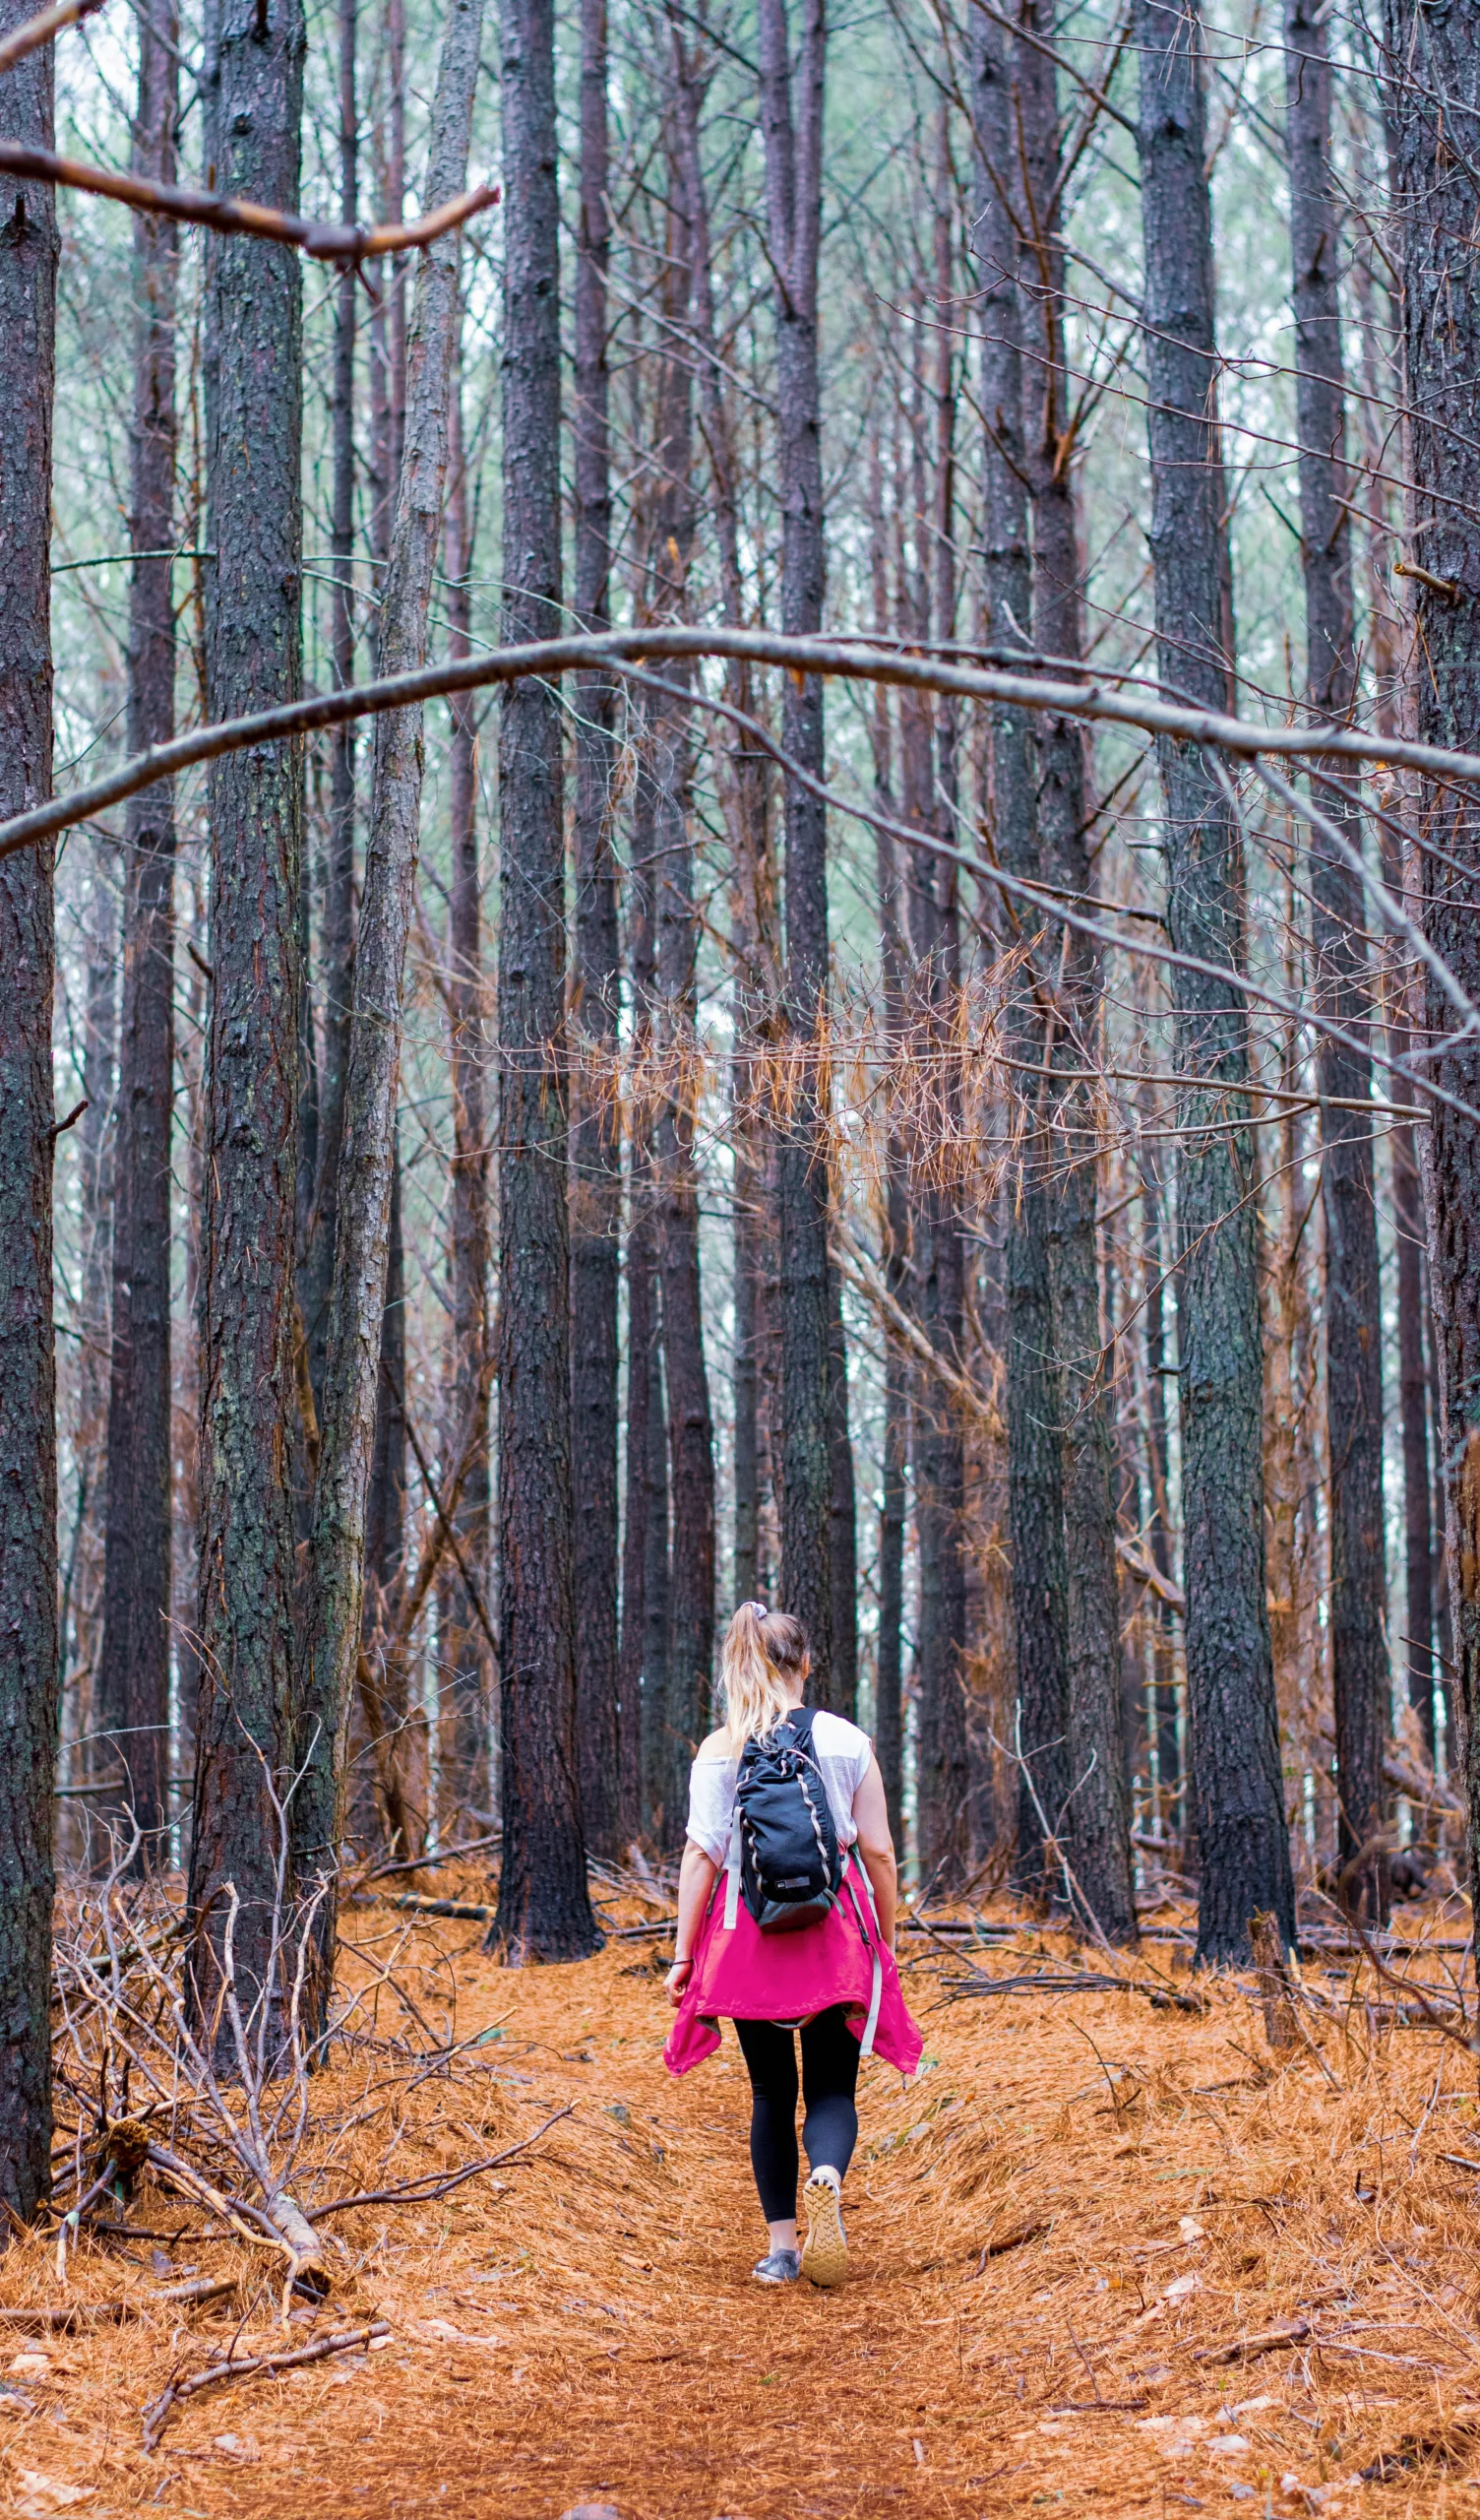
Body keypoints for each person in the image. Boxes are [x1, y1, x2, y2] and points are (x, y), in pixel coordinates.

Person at [663, 1603, 922, 2288]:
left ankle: (782, 2250)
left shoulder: (720, 1749)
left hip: (747, 1937)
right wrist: (884, 1944)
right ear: (805, 1664)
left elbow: (701, 1859)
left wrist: (685, 1956)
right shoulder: (844, 1740)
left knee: (771, 2093)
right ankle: (828, 2175)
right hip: (835, 1934)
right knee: (833, 2086)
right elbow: (880, 1852)